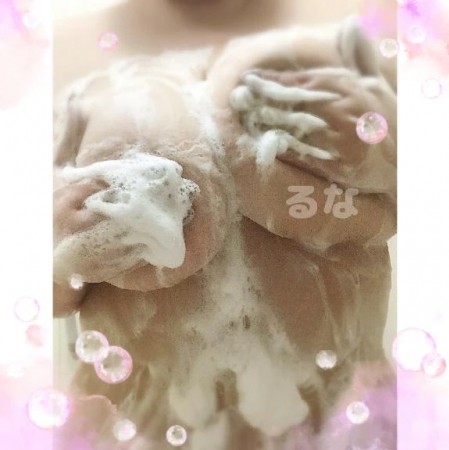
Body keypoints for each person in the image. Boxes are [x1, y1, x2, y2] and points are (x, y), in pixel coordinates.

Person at [53, 1, 397, 448]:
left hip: (341, 426)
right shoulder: (60, 49)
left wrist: (378, 154)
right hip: (139, 427)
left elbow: (407, 205)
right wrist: (64, 243)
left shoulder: (367, 25)